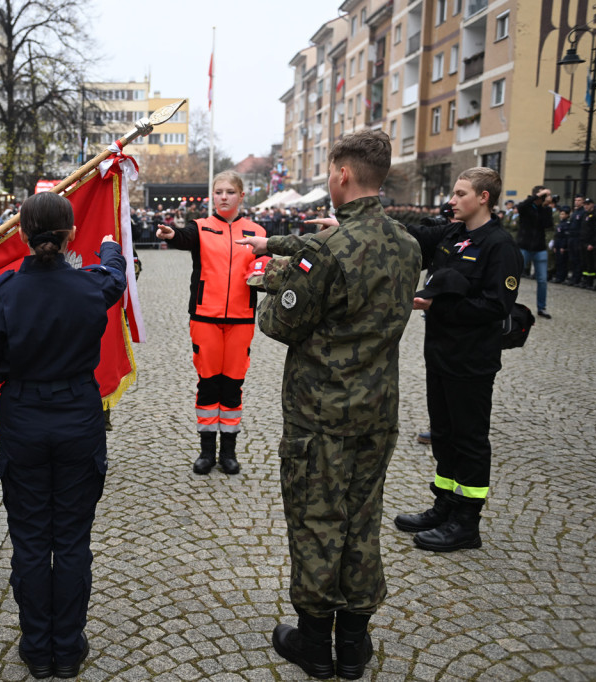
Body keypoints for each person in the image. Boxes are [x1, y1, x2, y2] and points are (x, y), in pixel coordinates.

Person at [237, 129, 422, 680]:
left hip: (321, 413)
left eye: (329, 168)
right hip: (378, 409)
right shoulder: (408, 245)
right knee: (362, 518)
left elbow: (279, 324)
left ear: (343, 173)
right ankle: (357, 644)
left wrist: (269, 283)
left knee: (318, 519)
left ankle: (316, 642)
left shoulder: (327, 251)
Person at [0, 192, 126, 680]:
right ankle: (69, 645)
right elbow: (116, 277)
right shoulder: (91, 286)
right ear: (69, 237)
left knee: (33, 539)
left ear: (21, 234)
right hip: (79, 417)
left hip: (24, 421)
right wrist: (109, 247)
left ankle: (38, 648)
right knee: (73, 537)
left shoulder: (2, 291)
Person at [394, 167, 523, 554]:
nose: (452, 200)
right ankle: (444, 505)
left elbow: (495, 305)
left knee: (469, 440)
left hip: (472, 360)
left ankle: (467, 522)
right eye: (453, 193)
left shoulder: (499, 245)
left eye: (460, 193)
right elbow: (414, 242)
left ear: (484, 197)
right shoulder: (454, 234)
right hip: (441, 353)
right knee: (444, 435)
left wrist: (438, 307)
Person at [155, 170, 268, 475]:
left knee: (232, 385)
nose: (223, 197)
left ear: (241, 196)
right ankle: (206, 451)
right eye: (218, 192)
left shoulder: (256, 231)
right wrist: (171, 235)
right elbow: (183, 237)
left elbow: (269, 265)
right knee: (208, 384)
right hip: (205, 317)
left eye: (230, 192)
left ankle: (228, 452)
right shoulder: (201, 228)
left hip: (241, 319)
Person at [516, 186, 553, 318]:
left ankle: (541, 308)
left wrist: (545, 207)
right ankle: (508, 303)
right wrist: (538, 196)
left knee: (542, 280)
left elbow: (548, 224)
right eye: (542, 195)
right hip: (524, 247)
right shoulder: (526, 207)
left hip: (540, 248)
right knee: (514, 276)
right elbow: (520, 207)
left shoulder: (546, 209)